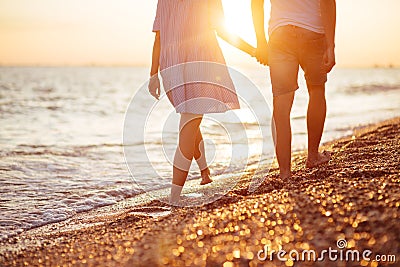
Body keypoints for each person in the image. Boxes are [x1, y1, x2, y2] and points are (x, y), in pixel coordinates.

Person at [149, 0, 256, 204]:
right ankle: (174, 196)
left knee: (190, 118)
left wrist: (154, 73)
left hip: (170, 66)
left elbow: (159, 37)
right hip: (199, 64)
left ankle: (204, 173)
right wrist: (254, 51)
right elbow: (223, 30)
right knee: (189, 123)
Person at [251, 0, 336, 179]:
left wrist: (261, 42)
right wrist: (331, 45)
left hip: (280, 35)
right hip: (312, 32)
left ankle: (285, 172)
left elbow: (256, 3)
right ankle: (313, 156)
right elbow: (328, 2)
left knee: (281, 102)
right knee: (317, 91)